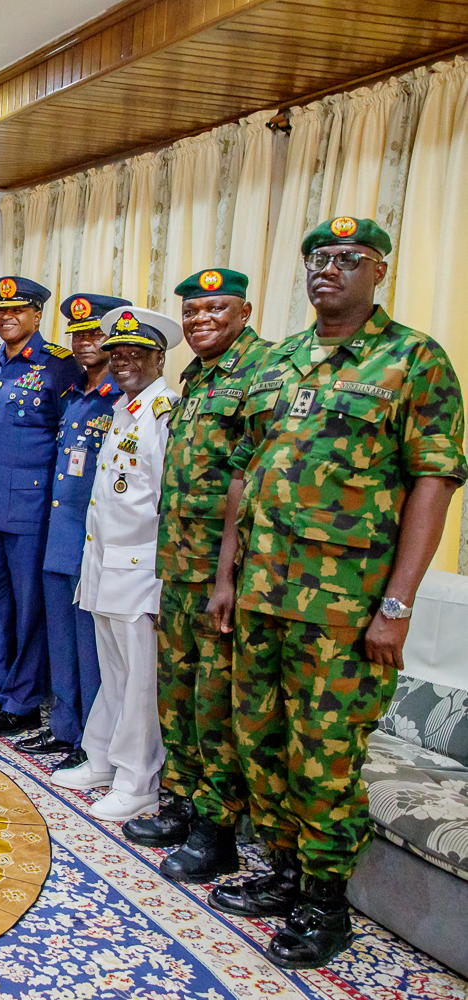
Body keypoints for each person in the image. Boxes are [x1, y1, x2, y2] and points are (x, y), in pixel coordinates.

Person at [208, 218, 465, 969]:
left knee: (324, 758)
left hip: (343, 611)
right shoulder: (281, 359)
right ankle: (285, 874)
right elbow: (242, 473)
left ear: (378, 271)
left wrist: (397, 603)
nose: (329, 270)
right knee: (261, 746)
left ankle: (325, 904)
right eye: (319, 258)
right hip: (260, 595)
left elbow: (435, 479)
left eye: (348, 259)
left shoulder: (411, 359)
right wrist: (225, 575)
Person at [123, 268, 268, 881]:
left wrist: (228, 576)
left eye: (216, 308)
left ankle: (216, 828)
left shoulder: (263, 374)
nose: (202, 319)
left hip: (222, 573)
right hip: (179, 565)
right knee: (177, 694)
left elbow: (250, 478)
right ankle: (181, 804)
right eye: (193, 311)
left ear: (245, 311)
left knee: (215, 703)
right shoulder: (197, 377)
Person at [50, 307, 179, 822]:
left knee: (140, 680)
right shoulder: (126, 410)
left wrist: (160, 577)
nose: (123, 362)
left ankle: (138, 780)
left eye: (135, 354)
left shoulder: (165, 412)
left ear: (158, 357)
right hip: (104, 561)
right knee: (114, 672)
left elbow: (168, 499)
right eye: (117, 353)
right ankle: (102, 756)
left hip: (141, 567)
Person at [0, 276, 81, 736]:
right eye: (1, 310)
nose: (7, 317)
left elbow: (68, 437)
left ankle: (25, 699)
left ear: (36, 316)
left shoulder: (58, 367)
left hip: (30, 511)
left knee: (29, 608)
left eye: (18, 310)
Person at [24, 293, 127, 768]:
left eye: (97, 335)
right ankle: (64, 728)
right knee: (61, 639)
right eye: (80, 335)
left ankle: (93, 738)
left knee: (92, 647)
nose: (87, 343)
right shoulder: (73, 394)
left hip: (98, 540)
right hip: (59, 531)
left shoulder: (125, 402)